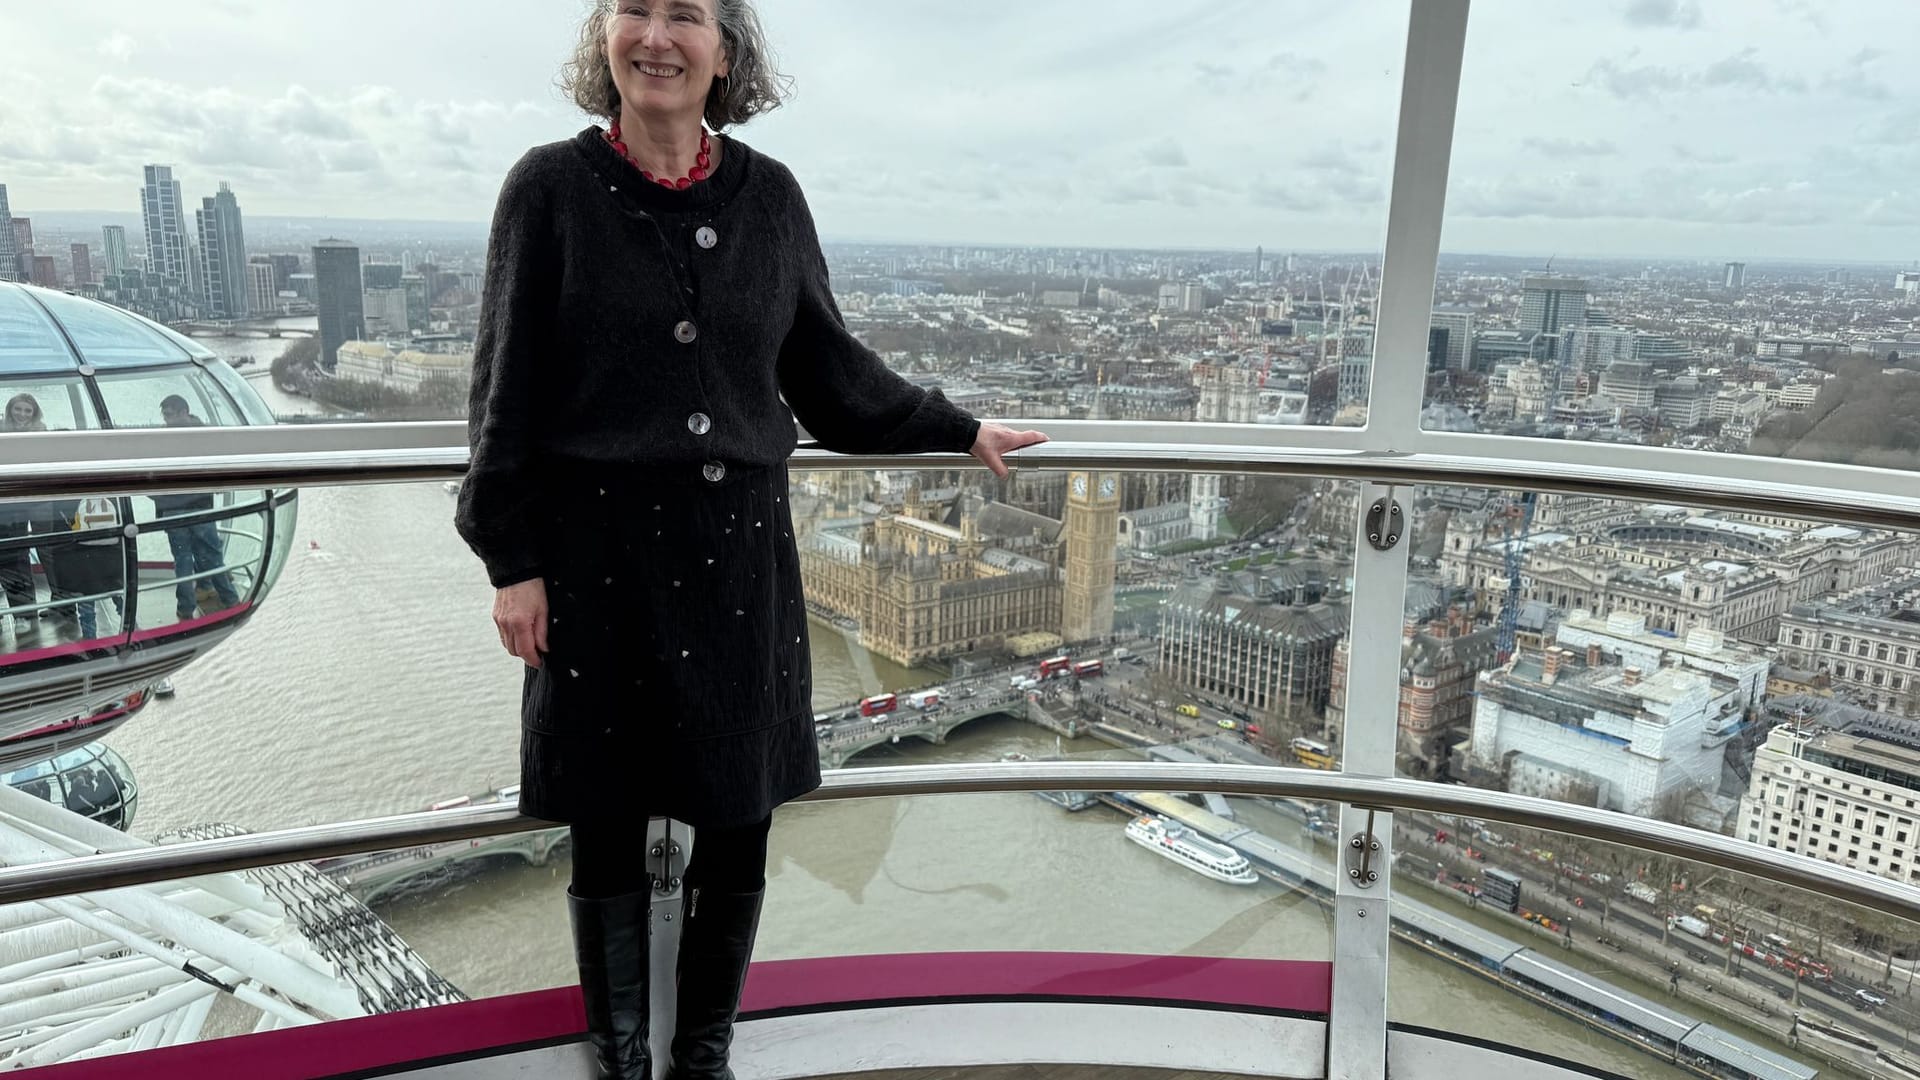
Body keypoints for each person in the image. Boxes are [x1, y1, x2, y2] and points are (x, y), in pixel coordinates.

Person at [454, 4, 1045, 1076]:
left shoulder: (768, 196)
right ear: (604, 39)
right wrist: (513, 561)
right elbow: (504, 389)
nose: (658, 37)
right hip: (596, 560)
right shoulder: (547, 188)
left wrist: (956, 429)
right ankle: (623, 1056)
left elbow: (828, 367)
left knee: (738, 812)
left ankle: (703, 1055)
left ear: (726, 51)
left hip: (737, 557)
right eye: (634, 9)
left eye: (686, 14)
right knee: (604, 812)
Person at [153, 395, 241, 621]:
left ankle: (185, 609)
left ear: (184, 412)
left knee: (184, 560)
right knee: (211, 556)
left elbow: (149, 474)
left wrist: (160, 499)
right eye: (165, 416)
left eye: (170, 415)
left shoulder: (161, 440)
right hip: (200, 505)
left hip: (176, 509)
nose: (167, 420)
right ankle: (230, 600)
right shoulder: (204, 434)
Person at [0, 394, 55, 628]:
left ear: (35, 413)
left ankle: (61, 602)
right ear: (9, 410)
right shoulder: (2, 433)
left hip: (39, 500)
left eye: (27, 411)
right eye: (17, 409)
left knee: (48, 551)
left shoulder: (42, 434)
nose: (21, 414)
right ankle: (24, 612)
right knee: (15, 555)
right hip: (11, 505)